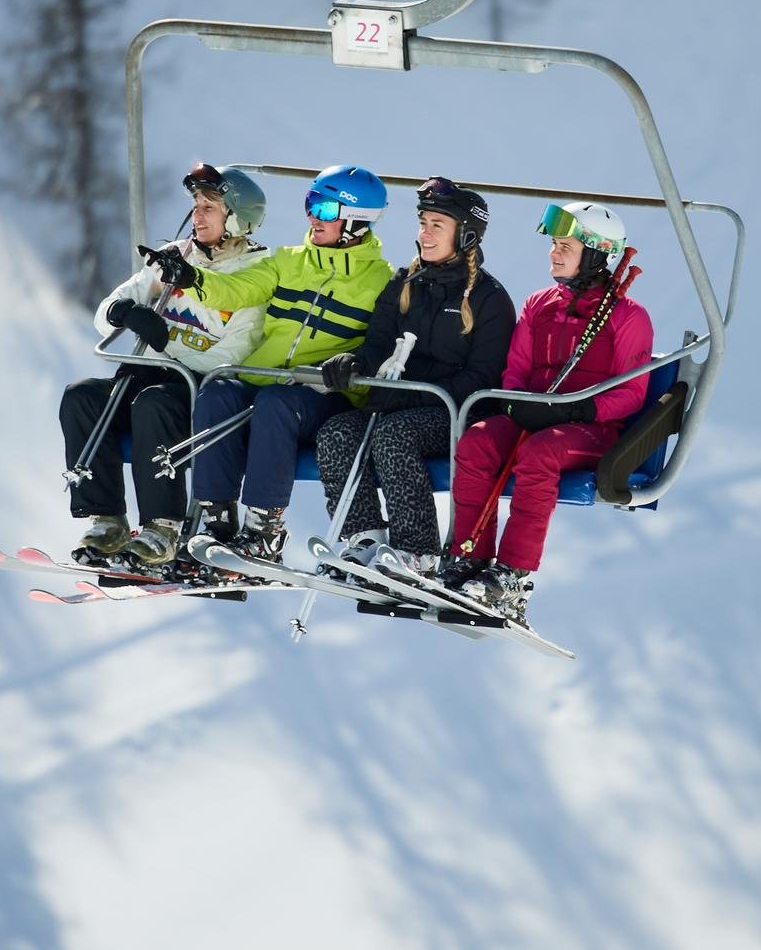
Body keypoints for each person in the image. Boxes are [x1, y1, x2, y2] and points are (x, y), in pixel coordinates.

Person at [146, 164, 393, 565]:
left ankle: (264, 530)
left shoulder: (382, 281)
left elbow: (384, 342)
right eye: (311, 204)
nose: (314, 216)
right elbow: (237, 289)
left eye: (327, 210)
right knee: (218, 392)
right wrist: (192, 278)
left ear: (356, 223)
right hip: (265, 378)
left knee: (277, 403)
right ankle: (217, 522)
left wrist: (356, 362)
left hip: (323, 392)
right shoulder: (288, 261)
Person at [444, 200, 652, 623]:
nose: (554, 253)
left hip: (592, 430)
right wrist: (517, 403)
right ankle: (468, 559)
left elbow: (630, 393)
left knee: (541, 453)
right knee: (479, 440)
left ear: (596, 256)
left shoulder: (628, 317)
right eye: (554, 244)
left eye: (566, 246)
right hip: (534, 418)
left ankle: (512, 575)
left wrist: (575, 411)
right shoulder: (539, 303)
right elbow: (516, 369)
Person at [59, 163, 269, 570]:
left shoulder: (255, 275)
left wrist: (165, 339)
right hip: (145, 376)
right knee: (81, 398)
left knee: (152, 403)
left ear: (238, 218)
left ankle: (162, 528)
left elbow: (230, 357)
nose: (198, 213)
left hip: (196, 389)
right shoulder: (174, 258)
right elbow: (104, 314)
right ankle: (107, 520)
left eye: (210, 205)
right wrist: (124, 312)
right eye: (196, 203)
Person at [311, 176, 513, 581]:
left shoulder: (489, 299)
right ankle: (362, 537)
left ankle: (416, 551)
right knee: (336, 432)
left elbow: (483, 378)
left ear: (466, 235)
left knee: (394, 435)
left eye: (437, 225)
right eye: (423, 222)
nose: (425, 233)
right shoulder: (403, 283)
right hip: (398, 404)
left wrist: (414, 398)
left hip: (457, 414)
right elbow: (378, 346)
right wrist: (354, 364)